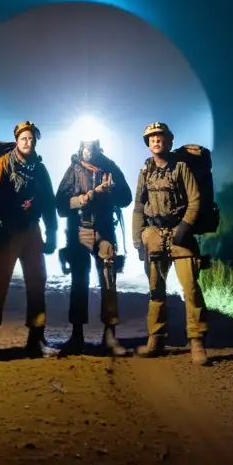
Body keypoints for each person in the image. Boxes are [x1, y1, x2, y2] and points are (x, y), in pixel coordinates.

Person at [132, 122, 209, 365]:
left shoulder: (181, 167)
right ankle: (156, 338)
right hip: (153, 234)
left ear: (169, 141)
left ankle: (196, 342)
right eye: (152, 138)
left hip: (179, 233)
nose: (156, 141)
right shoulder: (145, 170)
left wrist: (184, 229)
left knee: (191, 289)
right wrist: (137, 239)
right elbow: (138, 206)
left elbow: (195, 200)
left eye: (160, 137)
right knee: (156, 290)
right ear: (148, 144)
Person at [0, 121, 59, 359]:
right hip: (8, 232)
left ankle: (37, 339)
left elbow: (48, 203)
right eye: (24, 138)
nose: (28, 142)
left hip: (33, 231)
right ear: (17, 140)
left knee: (37, 283)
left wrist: (52, 233)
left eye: (32, 139)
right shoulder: (3, 165)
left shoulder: (39, 168)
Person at [55, 139, 132, 356]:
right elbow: (60, 204)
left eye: (92, 147)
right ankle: (77, 335)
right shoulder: (74, 168)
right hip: (80, 232)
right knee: (79, 282)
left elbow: (126, 199)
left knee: (108, 281)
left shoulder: (110, 167)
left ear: (98, 149)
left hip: (105, 231)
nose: (88, 151)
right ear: (81, 149)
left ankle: (109, 335)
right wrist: (87, 197)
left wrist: (113, 190)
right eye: (85, 147)